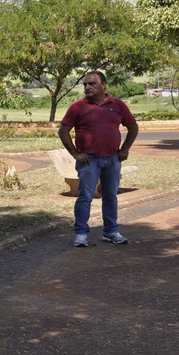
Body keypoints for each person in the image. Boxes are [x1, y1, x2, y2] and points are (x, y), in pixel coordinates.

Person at [57, 70, 139, 248]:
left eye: (92, 84)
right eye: (85, 84)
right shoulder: (78, 106)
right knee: (85, 197)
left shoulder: (116, 104)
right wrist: (75, 153)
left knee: (110, 196)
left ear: (103, 85)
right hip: (89, 161)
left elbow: (133, 127)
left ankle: (110, 231)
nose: (87, 87)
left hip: (112, 160)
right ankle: (81, 234)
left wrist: (125, 149)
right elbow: (63, 131)